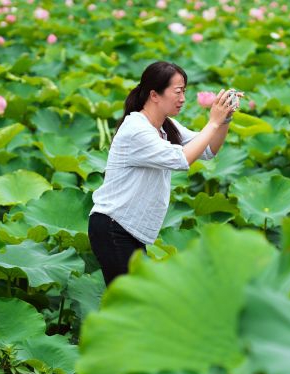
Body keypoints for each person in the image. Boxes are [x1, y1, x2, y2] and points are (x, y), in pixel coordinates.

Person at [87, 61, 241, 287]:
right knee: (133, 303)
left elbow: (208, 150)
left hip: (128, 229)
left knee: (134, 303)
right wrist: (213, 121)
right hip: (113, 225)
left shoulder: (166, 127)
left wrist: (224, 119)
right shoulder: (136, 129)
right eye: (178, 92)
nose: (182, 99)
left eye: (184, 92)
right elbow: (182, 159)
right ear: (154, 95)